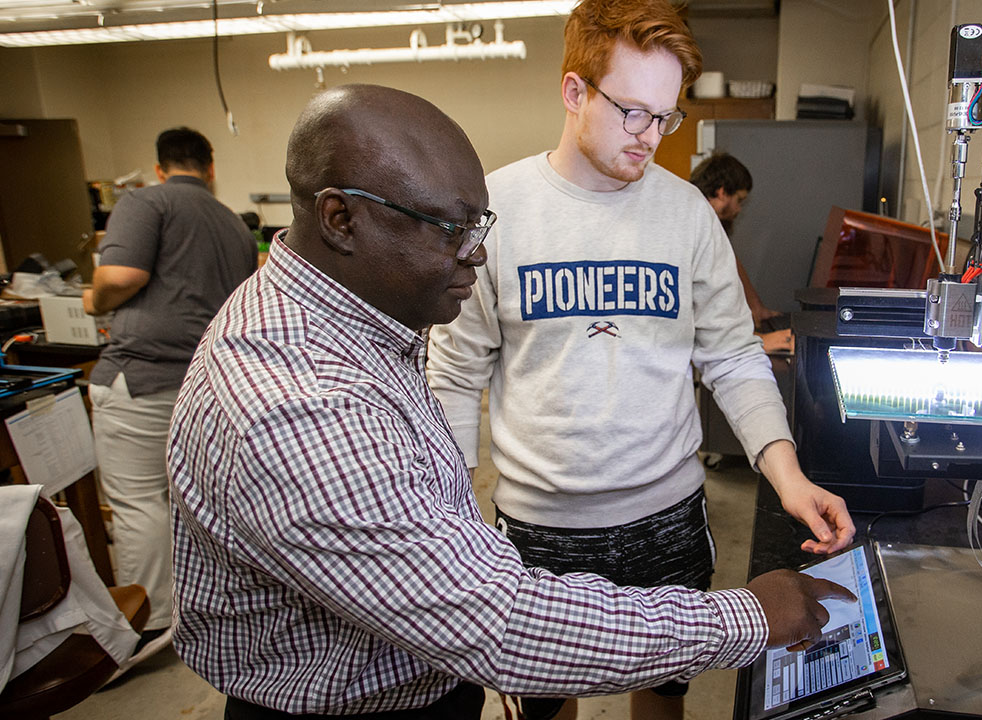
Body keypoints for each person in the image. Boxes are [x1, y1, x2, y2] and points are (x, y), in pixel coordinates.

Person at [166, 83, 851, 720]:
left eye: (480, 224)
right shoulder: (297, 400)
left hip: (436, 665)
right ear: (341, 218)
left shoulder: (360, 321)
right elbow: (495, 622)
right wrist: (749, 617)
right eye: (449, 228)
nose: (479, 255)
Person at [426, 2, 855, 718]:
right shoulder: (497, 210)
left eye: (666, 117)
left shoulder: (686, 213)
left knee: (662, 702)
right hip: (539, 531)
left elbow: (733, 359)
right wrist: (450, 519)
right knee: (542, 707)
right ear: (573, 91)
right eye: (632, 113)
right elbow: (454, 374)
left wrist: (788, 477)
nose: (651, 137)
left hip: (667, 517)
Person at [82, 126, 257, 673]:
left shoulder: (144, 201)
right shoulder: (232, 221)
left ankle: (153, 626)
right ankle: (202, 609)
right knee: (199, 505)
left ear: (160, 168)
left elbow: (120, 274)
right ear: (209, 167)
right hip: (213, 385)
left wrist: (92, 299)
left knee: (138, 503)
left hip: (144, 377)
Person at [690, 152, 793, 354]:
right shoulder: (692, 224)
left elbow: (729, 260)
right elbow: (700, 311)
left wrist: (756, 306)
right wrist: (759, 341)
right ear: (721, 192)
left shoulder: (704, 219)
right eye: (739, 200)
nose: (738, 209)